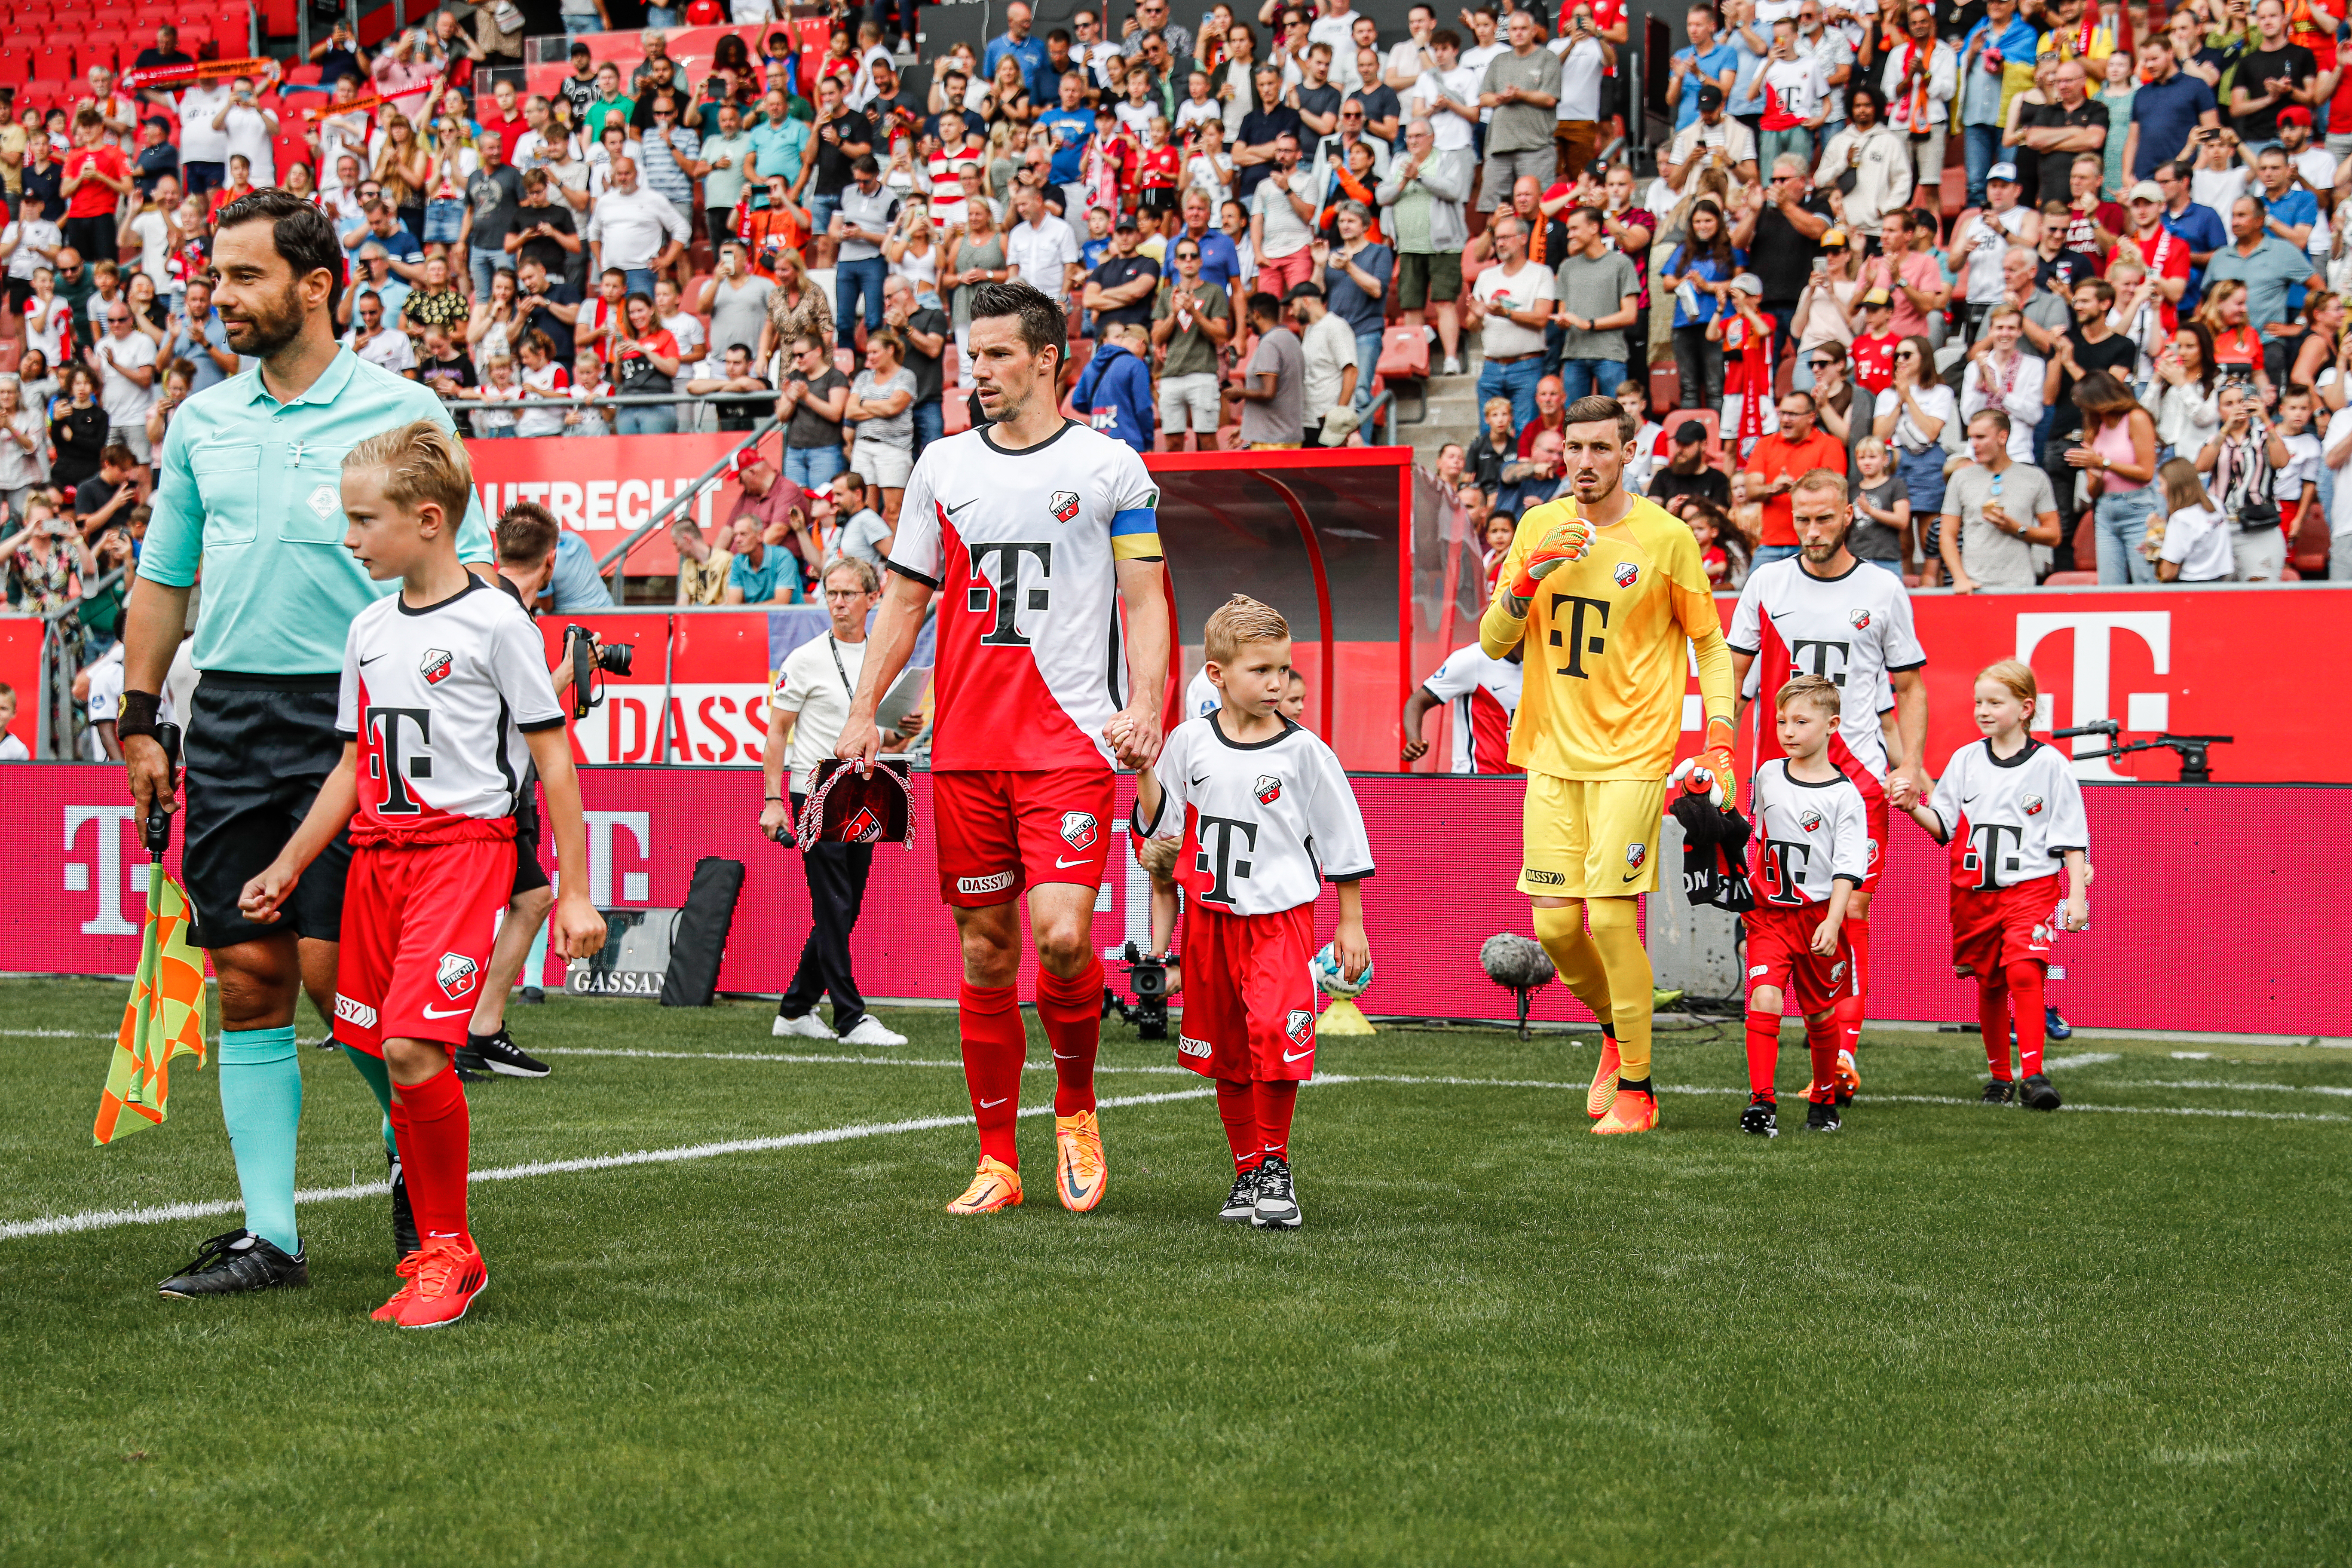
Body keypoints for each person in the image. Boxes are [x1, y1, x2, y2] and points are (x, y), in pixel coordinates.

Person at [122, 191, 499, 1299]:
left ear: (317, 285)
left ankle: (423, 1194)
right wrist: (143, 720)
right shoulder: (202, 421)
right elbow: (163, 579)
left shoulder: (403, 410)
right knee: (246, 976)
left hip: (369, 725)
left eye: (243, 277)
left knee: (352, 994)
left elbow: (459, 584)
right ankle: (271, 1240)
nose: (219, 297)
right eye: (215, 276)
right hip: (233, 717)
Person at [234, 421, 604, 1328]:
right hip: (374, 863)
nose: (350, 539)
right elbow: (357, 762)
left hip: (459, 858)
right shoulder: (366, 629)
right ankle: (436, 1246)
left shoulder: (494, 622)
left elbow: (554, 758)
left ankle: (448, 1251)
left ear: (429, 520)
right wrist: (289, 865)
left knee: (412, 1048)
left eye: (364, 521)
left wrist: (578, 888)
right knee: (371, 1045)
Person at [831, 280, 1170, 1217]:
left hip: (1068, 742)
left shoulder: (1111, 468)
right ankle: (995, 1159)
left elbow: (1145, 601)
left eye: (996, 355)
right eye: (970, 357)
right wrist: (865, 713)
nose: (977, 371)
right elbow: (904, 600)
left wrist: (1146, 705)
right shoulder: (941, 466)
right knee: (986, 954)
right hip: (968, 751)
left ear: (1048, 359)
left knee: (1062, 939)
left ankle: (1074, 1107)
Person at [1480, 393, 1736, 1136]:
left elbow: (1711, 645)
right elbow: (1496, 639)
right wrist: (1527, 578)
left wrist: (1719, 735)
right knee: (1557, 931)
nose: (1584, 463)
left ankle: (1638, 1089)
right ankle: (1616, 1029)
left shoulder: (1664, 538)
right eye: (1574, 449)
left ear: (1629, 453)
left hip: (1632, 755)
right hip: (1550, 757)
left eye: (1600, 449)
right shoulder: (1536, 525)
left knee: (1614, 923)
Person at [1131, 594, 1370, 1229]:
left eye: (1283, 671)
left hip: (1279, 922)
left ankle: (1276, 1168)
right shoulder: (1188, 744)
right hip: (1209, 921)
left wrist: (1352, 920)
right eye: (1261, 670)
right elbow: (1163, 829)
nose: (1277, 683)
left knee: (1274, 1034)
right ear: (1217, 675)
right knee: (1226, 1049)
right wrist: (1140, 772)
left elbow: (1341, 837)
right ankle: (1245, 1174)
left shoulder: (1305, 753)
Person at [1727, 467, 1927, 1095]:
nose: (1811, 531)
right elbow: (1730, 675)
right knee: (1779, 907)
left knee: (1853, 906)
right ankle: (1813, 1042)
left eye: (1823, 518)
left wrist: (1911, 763)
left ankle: (1842, 1056)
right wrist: (1716, 754)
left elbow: (1909, 685)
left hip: (1859, 776)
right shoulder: (1768, 582)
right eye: (1802, 519)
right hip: (1778, 782)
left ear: (1849, 516)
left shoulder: (1883, 588)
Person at [1892, 660, 2089, 1111]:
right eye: (1978, 702)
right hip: (1973, 894)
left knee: (2024, 969)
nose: (1983, 710)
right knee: (1990, 982)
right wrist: (1911, 806)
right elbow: (1942, 827)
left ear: (2025, 708)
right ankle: (2000, 1076)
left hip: (2030, 890)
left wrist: (2077, 895)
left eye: (1994, 702)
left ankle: (2035, 1075)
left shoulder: (2051, 766)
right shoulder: (1965, 759)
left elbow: (2071, 838)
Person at [759, 555, 922, 1048]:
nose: (838, 602)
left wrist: (900, 732)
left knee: (845, 908)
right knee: (835, 905)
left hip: (865, 790)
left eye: (849, 593)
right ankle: (851, 1017)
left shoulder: (881, 656)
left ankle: (795, 1008)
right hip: (815, 791)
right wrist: (772, 800)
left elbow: (880, 737)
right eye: (832, 592)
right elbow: (776, 734)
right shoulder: (806, 657)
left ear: (874, 599)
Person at [1735, 674, 1867, 1136]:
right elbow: (1750, 833)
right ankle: (1762, 1103)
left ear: (1832, 725)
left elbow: (1849, 868)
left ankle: (1824, 1100)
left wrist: (1834, 922)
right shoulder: (1769, 773)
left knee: (1819, 1014)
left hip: (1817, 919)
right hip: (1768, 916)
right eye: (1781, 721)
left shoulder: (1845, 796)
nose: (1788, 731)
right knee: (1765, 996)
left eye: (1801, 721)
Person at [1377, 116, 1470, 375]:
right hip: (1408, 246)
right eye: (1409, 137)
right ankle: (1416, 359)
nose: (1413, 141)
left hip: (1443, 245)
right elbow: (1382, 196)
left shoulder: (1446, 160)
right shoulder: (1399, 162)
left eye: (1419, 136)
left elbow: (1454, 191)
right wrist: (1404, 181)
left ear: (1432, 138)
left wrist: (1419, 178)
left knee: (1444, 302)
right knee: (1411, 305)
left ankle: (1451, 359)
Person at [1940, 408, 2061, 591]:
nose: (1973, 445)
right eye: (1971, 438)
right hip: (1973, 585)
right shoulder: (1960, 478)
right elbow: (1947, 535)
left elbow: (2054, 536)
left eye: (1980, 437)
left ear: (2002, 437)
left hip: (2020, 585)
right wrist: (1960, 578)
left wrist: (2018, 529)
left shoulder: (2035, 477)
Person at [2064, 368, 2161, 580]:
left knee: (2146, 580)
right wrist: (2096, 475)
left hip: (2139, 509)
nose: (2086, 411)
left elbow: (2146, 472)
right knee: (2109, 585)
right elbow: (2092, 492)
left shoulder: (2136, 418)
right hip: (2105, 511)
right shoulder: (2094, 427)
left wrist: (2103, 463)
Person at [2196, 379, 2294, 578]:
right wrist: (2226, 429)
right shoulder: (2214, 441)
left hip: (2260, 527)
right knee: (2222, 599)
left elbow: (2282, 461)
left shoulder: (2265, 436)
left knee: (2261, 593)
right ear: (2219, 410)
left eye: (2241, 401)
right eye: (2228, 404)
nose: (2236, 408)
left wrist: (2266, 419)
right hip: (2221, 527)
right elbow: (2201, 467)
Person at [1463, 211, 1553, 426]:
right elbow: (1472, 325)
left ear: (1523, 239)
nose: (1500, 243)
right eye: (1498, 238)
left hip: (1527, 365)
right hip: (1491, 367)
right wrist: (1477, 316)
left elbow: (1542, 319)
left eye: (1506, 238)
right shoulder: (1486, 276)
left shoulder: (1541, 273)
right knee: (1490, 435)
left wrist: (1506, 313)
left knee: (1525, 431)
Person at [1742, 388, 1848, 565]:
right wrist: (1773, 489)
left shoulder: (1831, 445)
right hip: (1770, 544)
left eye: (1792, 414)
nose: (1785, 419)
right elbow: (1751, 491)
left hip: (1814, 543)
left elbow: (1834, 492)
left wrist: (1796, 486)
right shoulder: (1764, 445)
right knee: (1756, 593)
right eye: (1782, 413)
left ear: (1811, 417)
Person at [1153, 230, 1234, 449]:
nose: (1188, 261)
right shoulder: (1166, 295)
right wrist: (1173, 314)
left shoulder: (1214, 292)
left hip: (1203, 374)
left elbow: (1221, 335)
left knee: (1207, 440)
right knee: (1172, 441)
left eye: (1192, 256)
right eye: (1183, 257)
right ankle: (1174, 485)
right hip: (1171, 374)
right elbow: (1157, 338)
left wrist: (1194, 313)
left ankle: (1214, 484)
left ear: (1200, 261)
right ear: (1176, 263)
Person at [1399, 639, 1524, 773]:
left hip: (1515, 781)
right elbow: (1417, 702)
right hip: (1476, 779)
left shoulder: (1538, 665)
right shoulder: (1473, 659)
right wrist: (1414, 741)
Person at [845, 328, 918, 522]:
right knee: (864, 511)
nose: (870, 357)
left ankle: (895, 554)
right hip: (863, 447)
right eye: (868, 353)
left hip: (893, 449)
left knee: (894, 510)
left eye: (875, 352)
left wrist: (865, 403)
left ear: (891, 350)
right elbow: (850, 411)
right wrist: (883, 406)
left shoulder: (906, 376)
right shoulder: (863, 378)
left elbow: (894, 407)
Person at [1231, 289, 1306, 447]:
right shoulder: (1292, 339)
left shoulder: (1270, 343)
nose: (1247, 322)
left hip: (1272, 440)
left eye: (1248, 316)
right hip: (1288, 435)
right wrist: (1248, 428)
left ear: (1257, 314)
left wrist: (1239, 392)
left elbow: (1268, 392)